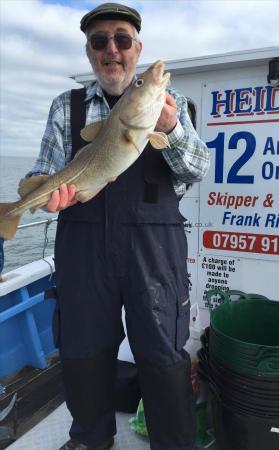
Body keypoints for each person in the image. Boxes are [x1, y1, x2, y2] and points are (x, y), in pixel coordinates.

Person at [27, 3, 210, 450]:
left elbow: (197, 169)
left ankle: (174, 444)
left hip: (154, 251)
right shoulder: (66, 107)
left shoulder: (173, 105)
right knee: (83, 350)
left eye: (122, 39)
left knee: (163, 355)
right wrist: (48, 199)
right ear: (90, 53)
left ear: (137, 48)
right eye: (99, 41)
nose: (112, 49)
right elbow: (47, 169)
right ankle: (90, 439)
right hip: (84, 250)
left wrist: (172, 129)